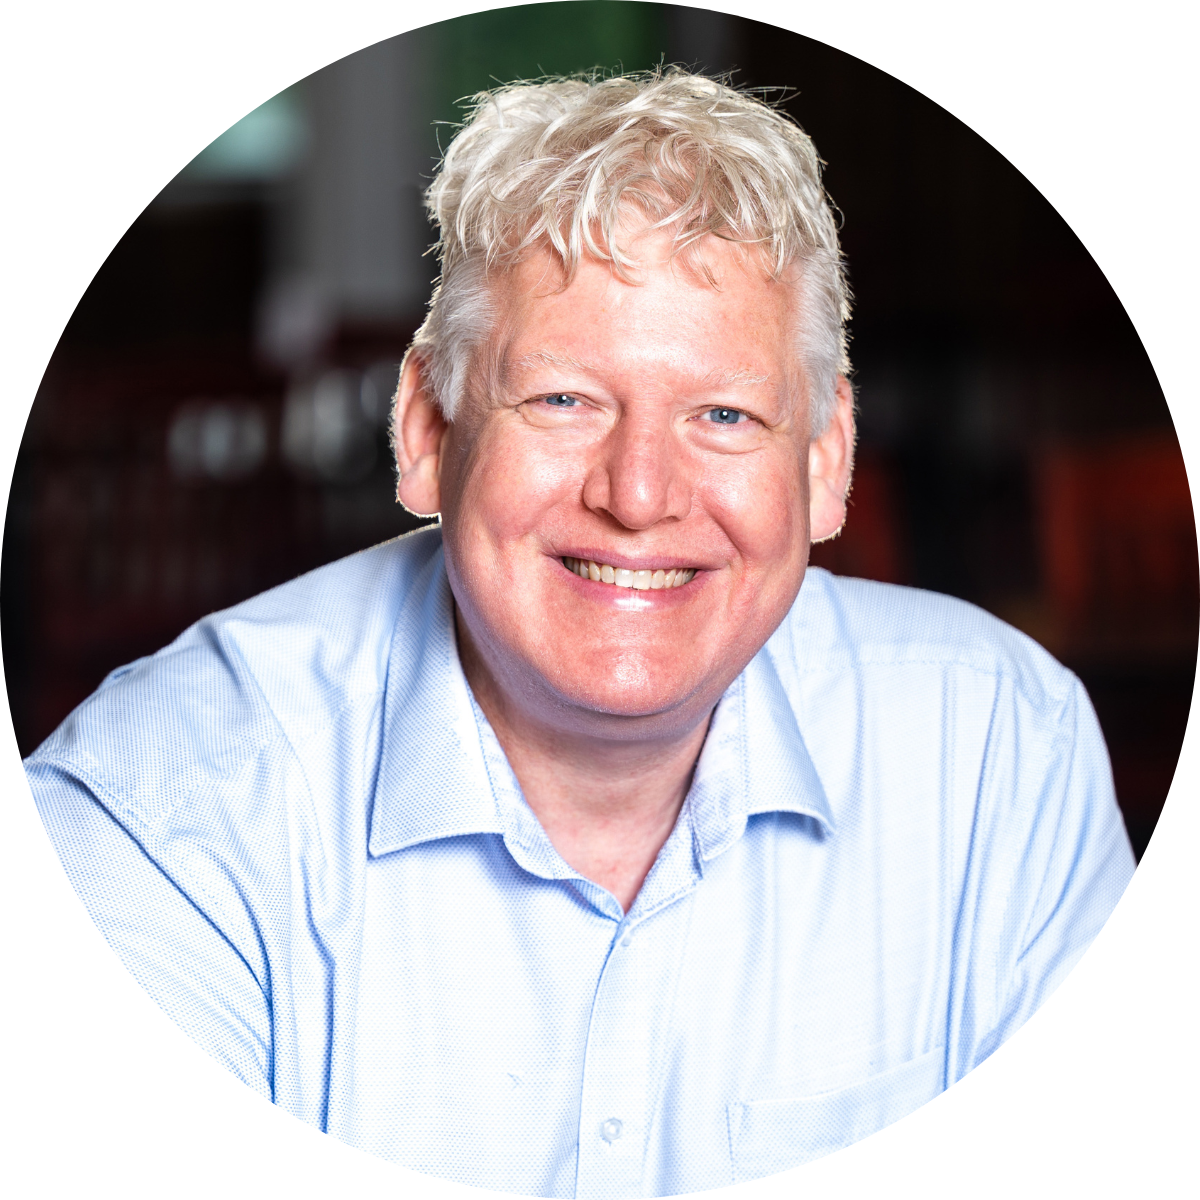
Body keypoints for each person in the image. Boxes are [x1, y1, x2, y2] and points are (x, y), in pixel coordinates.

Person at [26, 70, 1133, 1197]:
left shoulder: (1000, 752)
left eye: (724, 414)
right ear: (427, 434)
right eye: (563, 400)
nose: (640, 495)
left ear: (824, 462)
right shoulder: (162, 812)